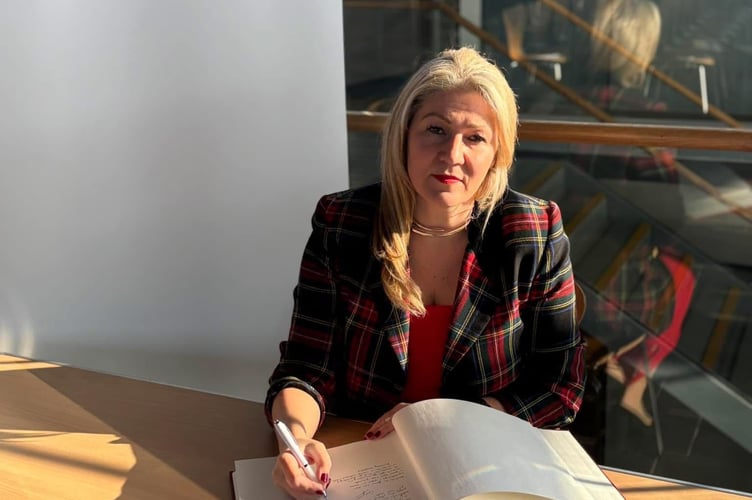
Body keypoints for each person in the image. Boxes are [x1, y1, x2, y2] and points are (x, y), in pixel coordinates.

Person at [265, 47, 586, 498]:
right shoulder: (342, 221)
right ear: (404, 136)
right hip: (363, 460)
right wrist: (297, 440)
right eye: (435, 129)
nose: (451, 154)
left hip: (483, 466)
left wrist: (439, 422)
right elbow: (306, 366)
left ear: (498, 153)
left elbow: (560, 386)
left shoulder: (531, 231)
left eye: (474, 137)